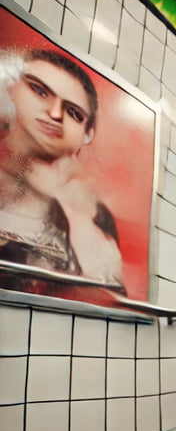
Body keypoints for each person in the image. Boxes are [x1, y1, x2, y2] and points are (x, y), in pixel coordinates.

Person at [0, 48, 124, 292]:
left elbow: (107, 296)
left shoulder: (92, 213)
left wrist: (72, 210)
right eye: (39, 91)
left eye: (73, 113)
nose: (55, 114)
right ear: (11, 88)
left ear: (87, 134)